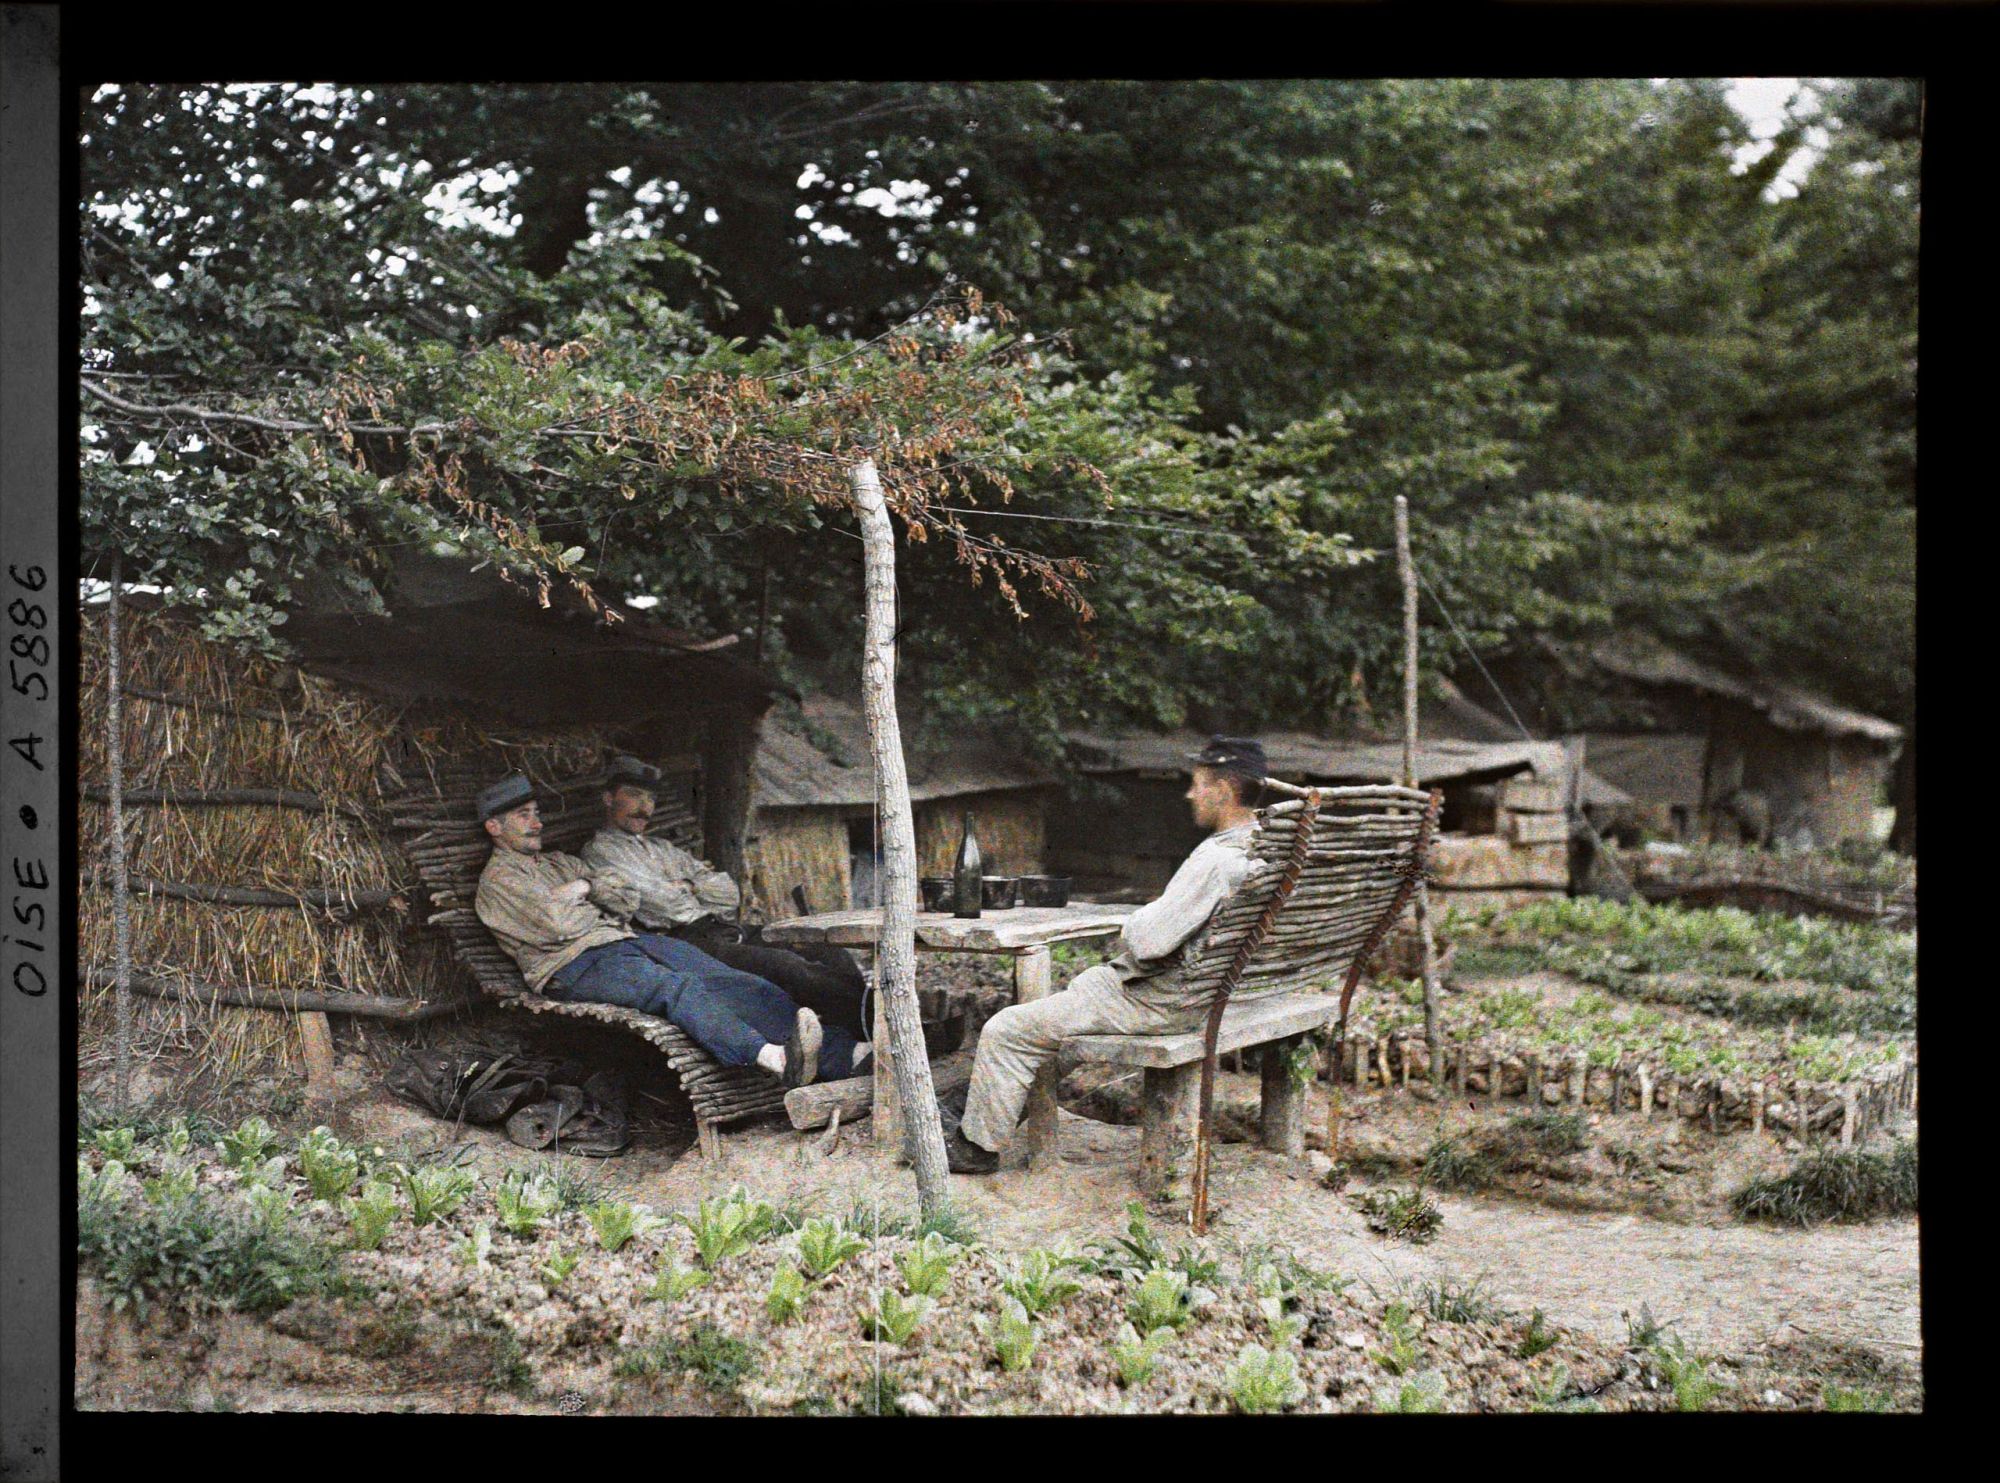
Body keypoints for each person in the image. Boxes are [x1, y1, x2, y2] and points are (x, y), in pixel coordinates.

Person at [944, 737, 1268, 1174]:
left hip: (1166, 1002)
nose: (1190, 794)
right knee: (1068, 1007)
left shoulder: (1217, 859)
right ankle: (988, 1107)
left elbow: (1148, 942)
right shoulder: (1267, 846)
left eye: (1198, 784)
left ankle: (974, 1148)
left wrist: (1139, 919)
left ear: (1225, 790)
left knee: (1007, 1028)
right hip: (1215, 993)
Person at [472, 771, 865, 1089]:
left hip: (625, 939)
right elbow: (555, 927)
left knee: (732, 979)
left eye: (536, 812)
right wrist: (592, 897)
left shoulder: (560, 864)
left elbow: (625, 898)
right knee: (673, 988)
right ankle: (774, 1059)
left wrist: (583, 889)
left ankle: (843, 1054)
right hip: (572, 965)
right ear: (494, 826)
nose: (536, 822)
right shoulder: (499, 881)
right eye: (523, 815)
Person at [580, 755, 876, 1041]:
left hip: (721, 928)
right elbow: (659, 905)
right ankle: (867, 1034)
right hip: (682, 943)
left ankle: (871, 1024)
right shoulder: (601, 852)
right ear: (608, 798)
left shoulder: (662, 849)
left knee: (823, 947)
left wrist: (686, 886)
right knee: (788, 966)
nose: (645, 808)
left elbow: (728, 893)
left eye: (651, 799)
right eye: (634, 795)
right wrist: (692, 886)